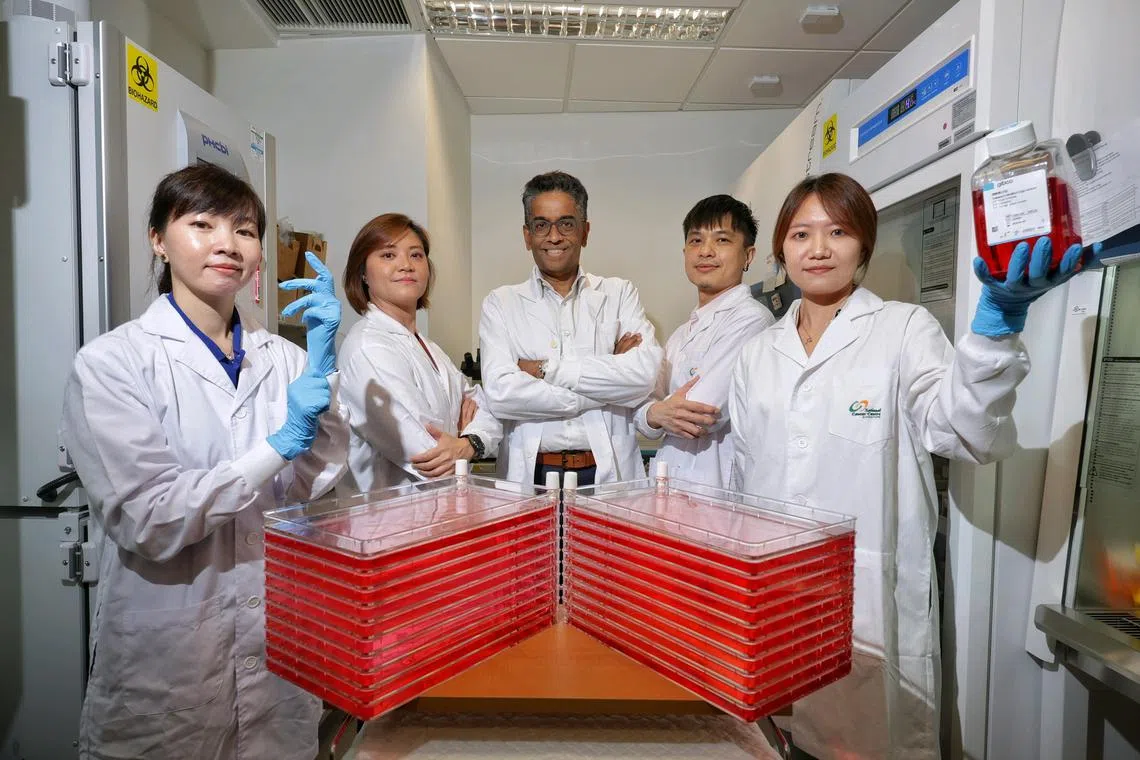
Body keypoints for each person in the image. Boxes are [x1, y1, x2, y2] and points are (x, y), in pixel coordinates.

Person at [727, 173, 1098, 760]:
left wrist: (996, 328)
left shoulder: (903, 330)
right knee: (778, 740)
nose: (818, 248)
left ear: (863, 247)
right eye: (801, 234)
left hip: (866, 602)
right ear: (781, 250)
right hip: (773, 598)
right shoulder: (756, 354)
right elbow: (744, 481)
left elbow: (963, 433)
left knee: (863, 741)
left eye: (837, 232)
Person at [60, 164, 348, 760]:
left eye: (244, 230)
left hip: (277, 649)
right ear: (158, 240)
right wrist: (278, 444)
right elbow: (149, 517)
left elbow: (311, 489)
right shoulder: (112, 364)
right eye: (201, 224)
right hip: (169, 661)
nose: (227, 244)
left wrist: (322, 375)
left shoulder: (286, 360)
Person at [478, 170, 662, 487]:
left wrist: (545, 370)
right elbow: (501, 395)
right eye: (541, 225)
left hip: (605, 477)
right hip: (532, 477)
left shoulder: (619, 294)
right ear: (527, 236)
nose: (554, 237)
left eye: (566, 224)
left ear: (584, 231)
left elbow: (644, 377)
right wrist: (608, 387)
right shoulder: (501, 303)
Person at [338, 213, 502, 493]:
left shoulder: (429, 348)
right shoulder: (367, 348)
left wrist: (467, 442)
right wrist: (463, 437)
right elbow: (428, 455)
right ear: (362, 273)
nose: (406, 265)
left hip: (441, 508)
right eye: (388, 255)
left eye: (416, 255)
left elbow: (489, 409)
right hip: (388, 515)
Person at [635, 194, 774, 487]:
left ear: (748, 255)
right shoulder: (680, 335)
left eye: (722, 240)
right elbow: (639, 410)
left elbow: (701, 414)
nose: (705, 251)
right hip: (670, 483)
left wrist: (655, 411)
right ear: (685, 252)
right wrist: (653, 412)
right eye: (696, 241)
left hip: (717, 490)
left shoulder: (752, 320)